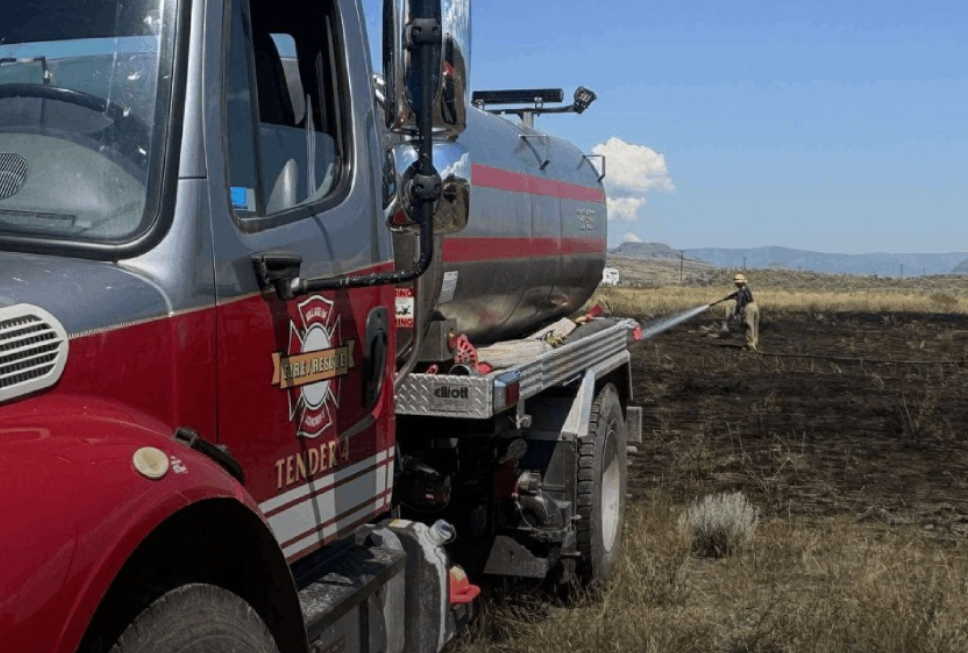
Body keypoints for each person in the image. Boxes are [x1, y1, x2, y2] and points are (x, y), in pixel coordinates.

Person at [720, 273, 759, 351]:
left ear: (738, 284)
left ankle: (750, 346)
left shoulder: (741, 293)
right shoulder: (746, 289)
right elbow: (737, 293)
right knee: (754, 326)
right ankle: (755, 342)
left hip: (748, 308)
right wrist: (728, 297)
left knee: (748, 326)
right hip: (755, 306)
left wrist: (736, 313)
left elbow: (739, 304)